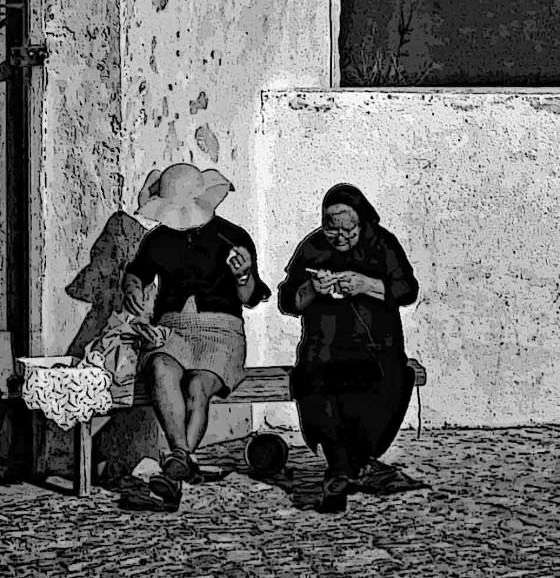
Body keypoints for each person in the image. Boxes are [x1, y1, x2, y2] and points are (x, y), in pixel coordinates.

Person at [122, 163, 270, 507]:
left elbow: (250, 299)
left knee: (197, 386)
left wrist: (244, 276)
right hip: (173, 329)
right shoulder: (157, 239)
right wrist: (131, 286)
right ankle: (181, 458)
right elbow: (137, 273)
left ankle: (173, 469)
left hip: (221, 331)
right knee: (160, 367)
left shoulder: (233, 237)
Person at [277, 183, 419, 513]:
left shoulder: (381, 244)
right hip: (323, 351)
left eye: (348, 229)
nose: (339, 237)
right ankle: (345, 470)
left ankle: (342, 471)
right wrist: (311, 289)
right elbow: (287, 300)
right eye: (331, 227)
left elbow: (407, 289)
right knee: (317, 385)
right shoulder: (312, 246)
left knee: (389, 383)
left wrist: (366, 284)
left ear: (362, 222)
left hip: (376, 352)